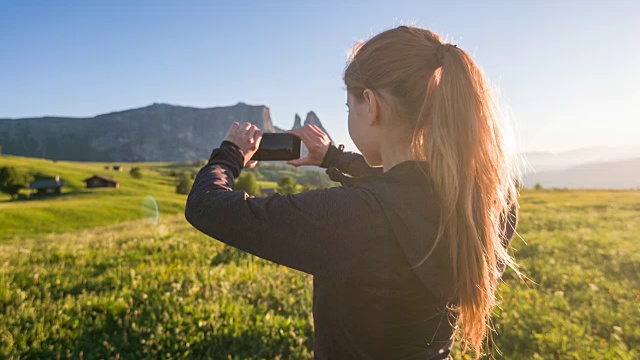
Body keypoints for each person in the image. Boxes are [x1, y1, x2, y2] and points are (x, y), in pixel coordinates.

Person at [185, 25, 523, 360]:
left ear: (370, 104)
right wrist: (333, 158)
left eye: (349, 108)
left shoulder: (356, 217)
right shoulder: (492, 199)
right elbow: (407, 188)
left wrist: (230, 154)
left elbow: (206, 206)